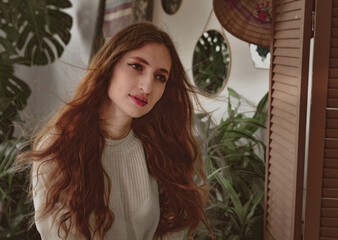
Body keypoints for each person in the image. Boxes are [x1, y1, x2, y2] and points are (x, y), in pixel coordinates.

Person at [17, 22, 211, 240]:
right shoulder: (59, 148)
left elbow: (172, 233)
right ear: (110, 65)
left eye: (160, 77)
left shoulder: (161, 150)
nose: (147, 87)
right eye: (137, 66)